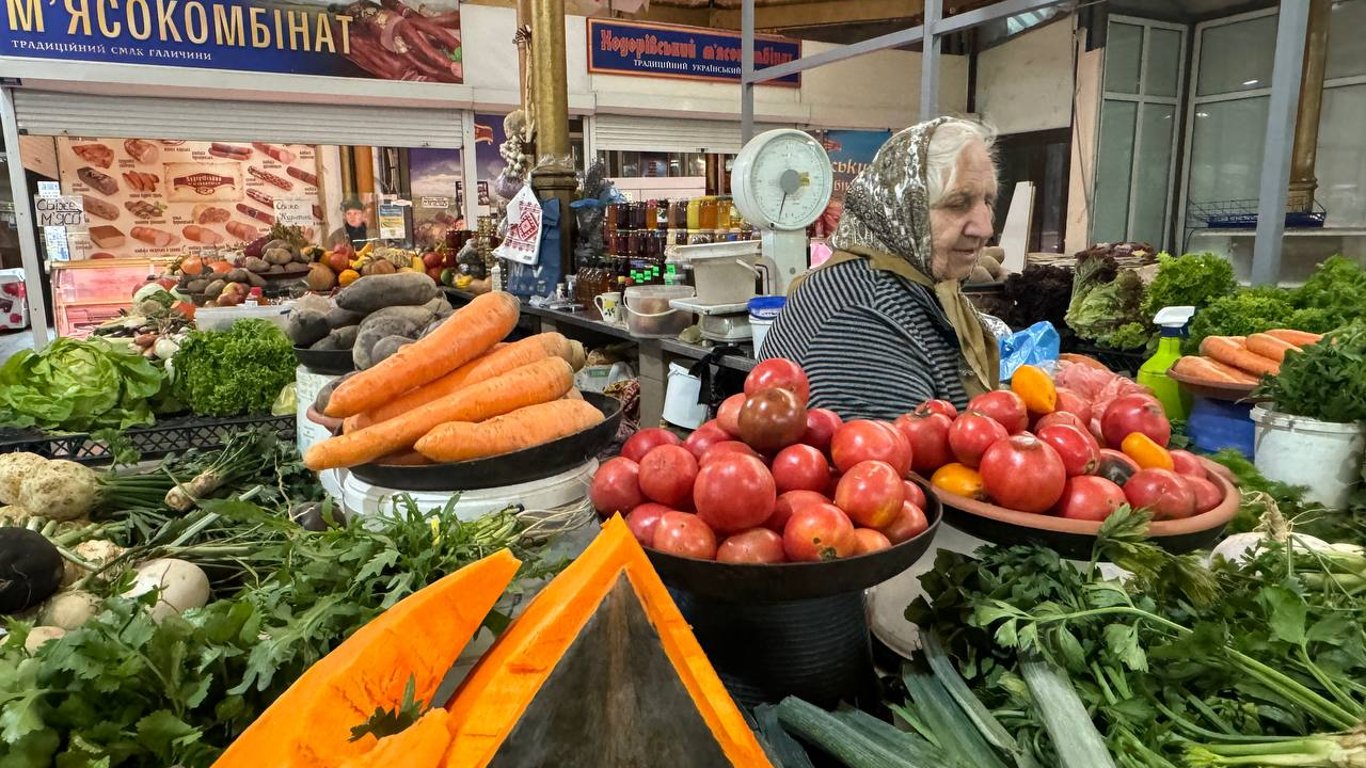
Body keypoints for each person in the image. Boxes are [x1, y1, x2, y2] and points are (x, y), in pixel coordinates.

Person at [760, 117, 1008, 419]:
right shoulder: (860, 319)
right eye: (958, 203)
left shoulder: (908, 286)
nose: (985, 227)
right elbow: (896, 461)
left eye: (988, 201)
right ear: (903, 209)